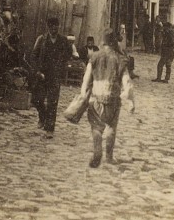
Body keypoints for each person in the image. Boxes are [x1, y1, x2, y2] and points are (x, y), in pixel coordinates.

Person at [80, 29, 135, 168]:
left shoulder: (94, 56)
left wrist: (83, 95)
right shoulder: (119, 59)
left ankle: (97, 149)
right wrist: (129, 99)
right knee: (111, 128)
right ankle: (109, 156)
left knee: (96, 128)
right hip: (112, 99)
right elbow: (127, 82)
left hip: (96, 98)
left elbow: (86, 78)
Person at [30, 16, 73, 138]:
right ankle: (42, 117)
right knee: (37, 99)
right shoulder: (41, 39)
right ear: (48, 27)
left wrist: (61, 65)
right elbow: (33, 56)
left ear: (58, 27)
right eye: (51, 27)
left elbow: (69, 54)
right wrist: (37, 70)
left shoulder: (63, 40)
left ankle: (50, 128)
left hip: (55, 75)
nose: (54, 29)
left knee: (52, 102)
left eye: (56, 27)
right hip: (42, 74)